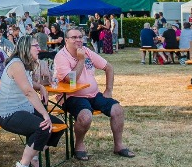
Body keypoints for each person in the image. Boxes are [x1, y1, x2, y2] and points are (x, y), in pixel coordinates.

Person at [53, 27, 134, 160]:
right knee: (85, 116)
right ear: (66, 40)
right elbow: (71, 80)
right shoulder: (61, 56)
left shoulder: (87, 51)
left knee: (117, 110)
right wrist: (81, 60)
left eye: (80, 37)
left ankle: (118, 146)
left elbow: (109, 67)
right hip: (72, 96)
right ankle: (79, 145)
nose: (78, 40)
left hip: (93, 94)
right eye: (74, 37)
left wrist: (108, 90)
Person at [0, 36, 64, 167]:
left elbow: (27, 82)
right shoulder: (16, 64)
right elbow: (28, 91)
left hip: (24, 109)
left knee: (58, 126)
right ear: (25, 48)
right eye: (35, 46)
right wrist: (45, 115)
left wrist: (40, 86)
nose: (39, 48)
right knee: (43, 127)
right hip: (8, 113)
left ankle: (34, 156)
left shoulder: (23, 64)